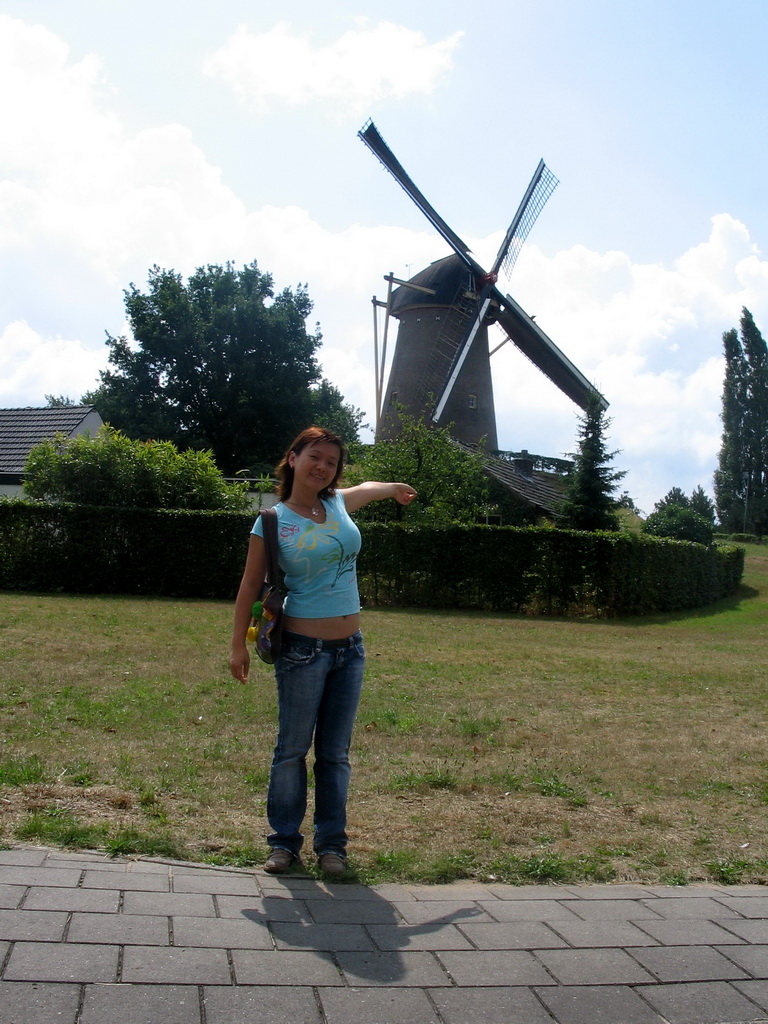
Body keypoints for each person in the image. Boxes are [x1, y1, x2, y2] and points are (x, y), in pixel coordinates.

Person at [229, 426, 416, 876]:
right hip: (302, 650)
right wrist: (238, 644)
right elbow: (250, 584)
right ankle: (283, 844)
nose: (323, 467)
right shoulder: (273, 521)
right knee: (292, 750)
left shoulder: (335, 503)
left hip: (350, 650)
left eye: (332, 463)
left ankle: (332, 846)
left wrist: (392, 489)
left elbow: (366, 490)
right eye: (315, 456)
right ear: (292, 458)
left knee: (335, 753)